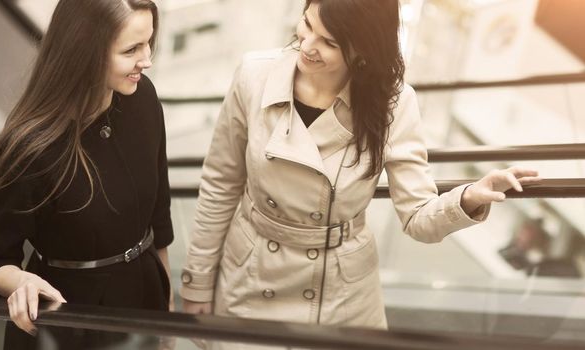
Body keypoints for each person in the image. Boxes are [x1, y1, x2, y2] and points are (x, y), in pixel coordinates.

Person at [180, 0, 540, 329]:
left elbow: (417, 217)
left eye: (329, 42)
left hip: (339, 294)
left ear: (362, 49)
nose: (307, 46)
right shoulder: (254, 75)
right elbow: (220, 184)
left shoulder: (392, 105)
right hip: (251, 274)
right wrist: (196, 281)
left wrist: (469, 198)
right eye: (307, 24)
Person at [0, 0, 174, 346]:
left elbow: (160, 214)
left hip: (144, 298)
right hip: (67, 319)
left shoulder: (143, 98)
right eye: (131, 49)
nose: (147, 59)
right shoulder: (33, 147)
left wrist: (169, 313)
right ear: (86, 51)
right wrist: (21, 282)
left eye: (149, 42)